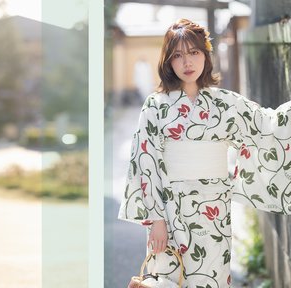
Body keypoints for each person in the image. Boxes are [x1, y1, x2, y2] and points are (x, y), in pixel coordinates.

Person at [118, 18, 291, 287]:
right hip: (170, 208)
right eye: (178, 55)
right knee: (168, 279)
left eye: (194, 52)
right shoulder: (156, 105)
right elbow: (145, 161)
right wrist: (156, 221)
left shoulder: (223, 102)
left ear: (205, 55)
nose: (187, 62)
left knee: (212, 278)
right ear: (168, 61)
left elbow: (267, 126)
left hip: (214, 210)